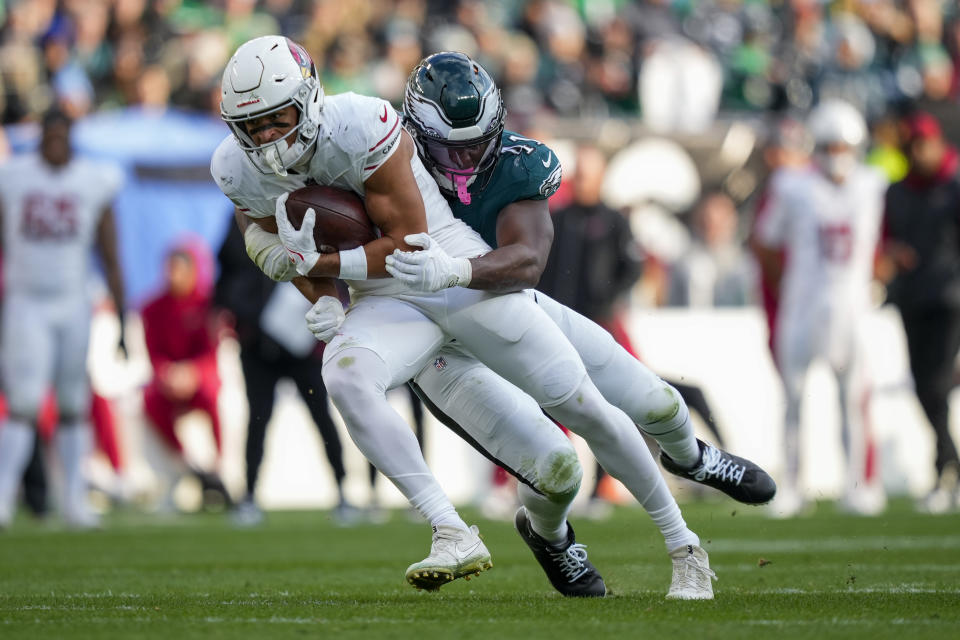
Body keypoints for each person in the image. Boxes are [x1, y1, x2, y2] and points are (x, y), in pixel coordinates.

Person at [213, 37, 718, 599]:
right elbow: (275, 240)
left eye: (275, 117)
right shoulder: (235, 169)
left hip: (443, 265)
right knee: (345, 373)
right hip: (386, 301)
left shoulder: (361, 123)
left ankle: (684, 546)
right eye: (251, 125)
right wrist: (322, 293)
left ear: (308, 97)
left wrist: (328, 265)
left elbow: (404, 239)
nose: (265, 136)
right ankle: (450, 529)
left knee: (583, 407)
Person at [754, 99, 888, 518]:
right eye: (830, 145)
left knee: (852, 399)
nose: (837, 154)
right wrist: (787, 287)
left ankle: (858, 486)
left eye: (844, 146)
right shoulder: (792, 186)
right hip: (803, 303)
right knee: (792, 398)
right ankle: (792, 485)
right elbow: (765, 241)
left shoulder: (873, 183)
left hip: (852, 306)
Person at [0, 108, 125, 529]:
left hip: (74, 301)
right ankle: (2, 496)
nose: (54, 142)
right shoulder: (13, 178)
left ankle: (74, 499)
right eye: (48, 134)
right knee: (24, 401)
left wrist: (122, 317)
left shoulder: (93, 180)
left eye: (61, 134)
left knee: (73, 402)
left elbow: (110, 255)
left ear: (72, 137)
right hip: (26, 301)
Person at [213, 222, 358, 526]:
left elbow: (337, 269)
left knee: (322, 415)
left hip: (302, 343)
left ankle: (344, 492)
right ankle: (250, 495)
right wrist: (245, 317)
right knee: (257, 419)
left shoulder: (305, 208)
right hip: (258, 344)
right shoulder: (243, 216)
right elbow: (226, 275)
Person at [881, 111, 960, 513]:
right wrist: (893, 254)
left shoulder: (953, 187)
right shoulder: (897, 192)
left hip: (949, 297)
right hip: (913, 298)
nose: (920, 153)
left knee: (936, 386)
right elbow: (885, 239)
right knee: (926, 387)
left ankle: (943, 469)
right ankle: (951, 468)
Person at [141, 240, 231, 510]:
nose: (172, 276)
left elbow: (211, 350)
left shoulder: (208, 304)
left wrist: (192, 373)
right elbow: (153, 352)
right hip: (170, 380)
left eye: (178, 269)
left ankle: (220, 464)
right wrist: (168, 373)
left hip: (199, 376)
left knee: (211, 395)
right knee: (150, 400)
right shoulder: (153, 307)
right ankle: (183, 464)